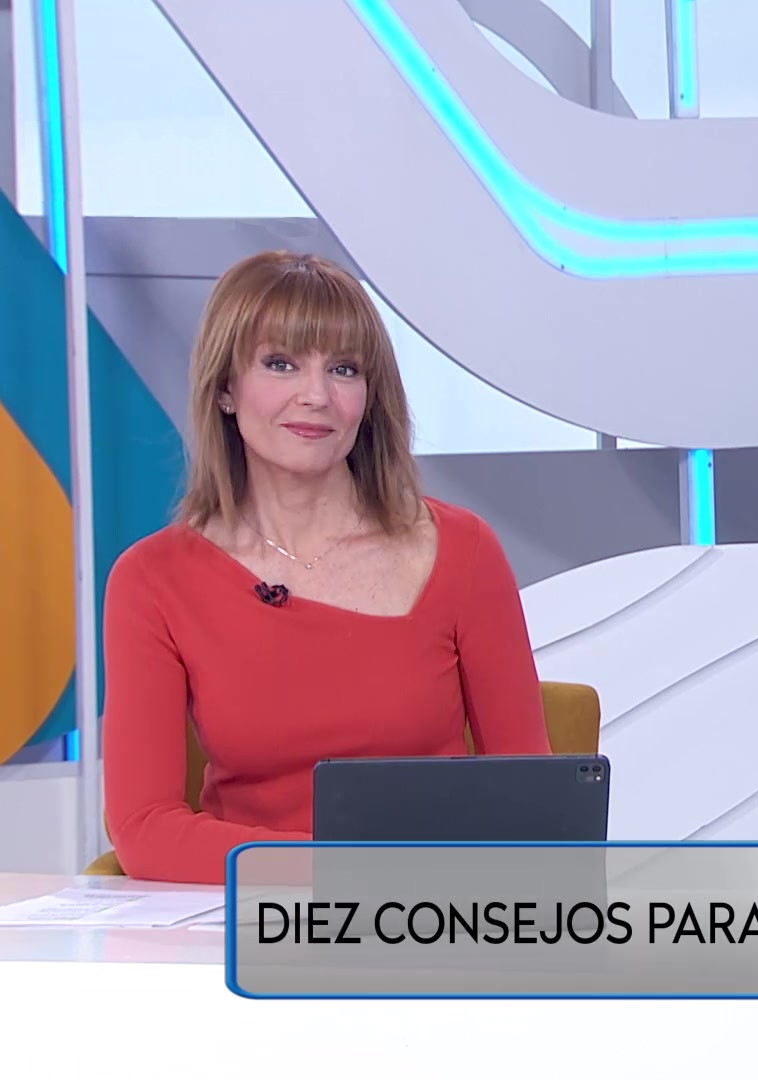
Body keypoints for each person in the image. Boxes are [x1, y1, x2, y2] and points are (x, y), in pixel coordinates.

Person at [103, 251, 552, 884]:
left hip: (428, 909)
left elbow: (534, 805)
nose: (316, 396)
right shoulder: (153, 579)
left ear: (368, 398)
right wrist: (336, 870)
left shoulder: (463, 550)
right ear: (226, 388)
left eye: (344, 369)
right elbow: (144, 829)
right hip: (249, 912)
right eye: (280, 363)